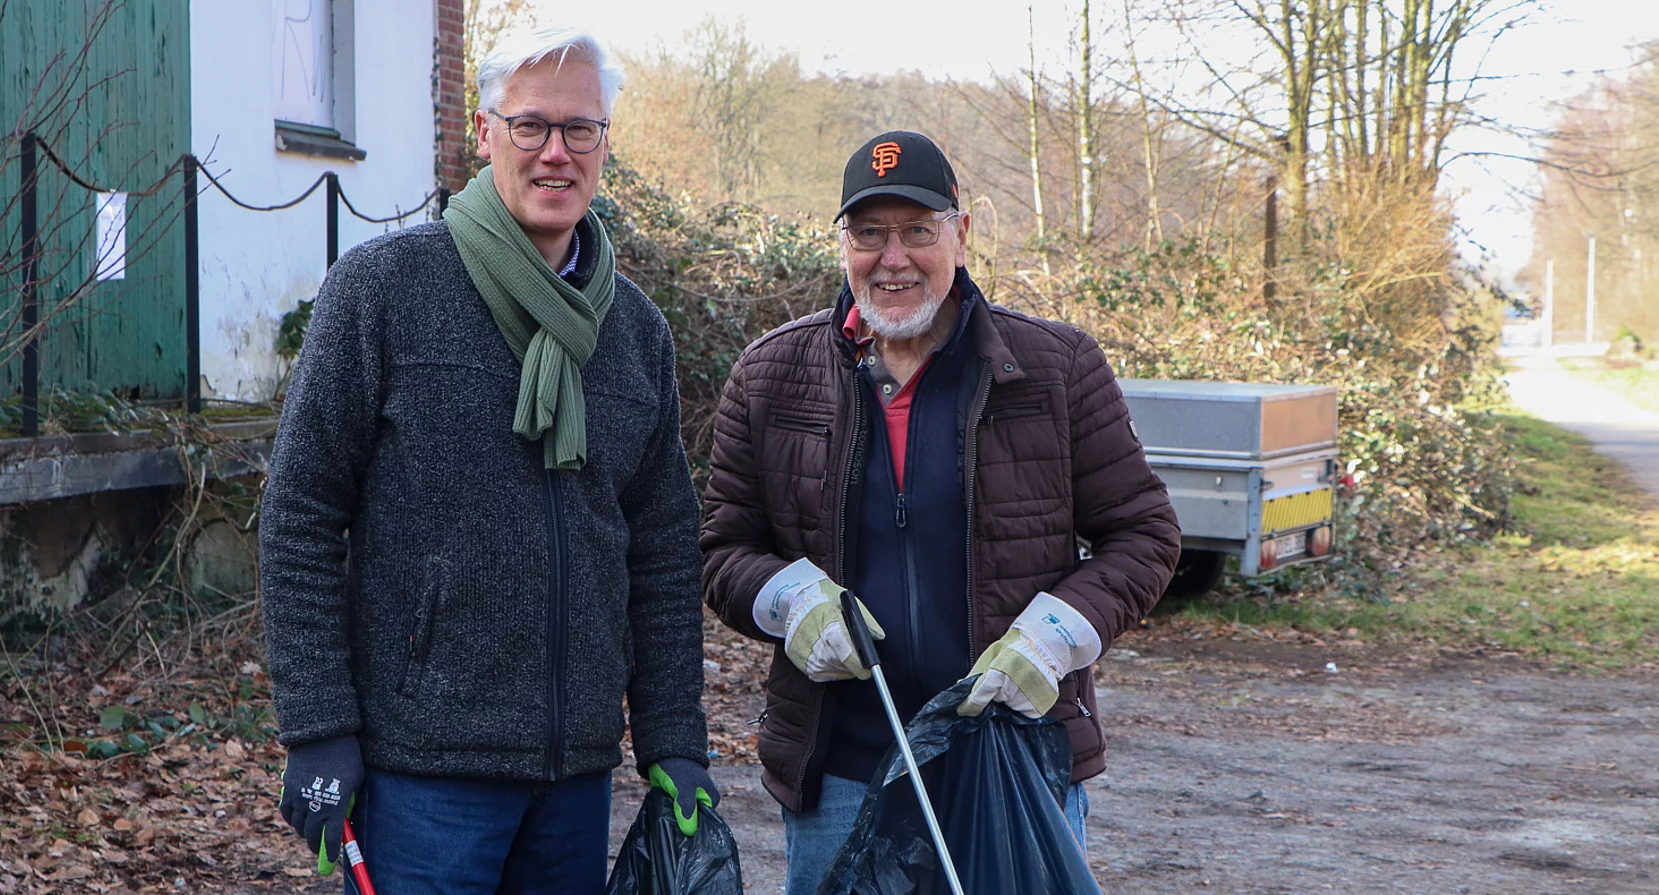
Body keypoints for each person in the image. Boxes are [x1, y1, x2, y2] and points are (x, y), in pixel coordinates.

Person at [259, 25, 716, 895]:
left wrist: (673, 738)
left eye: (580, 129)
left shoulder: (634, 334)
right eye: (531, 125)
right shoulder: (384, 293)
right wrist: (318, 727)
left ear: (605, 144)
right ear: (484, 132)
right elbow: (301, 516)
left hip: (576, 777)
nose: (556, 152)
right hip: (421, 774)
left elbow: (660, 549)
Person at [701, 130, 1181, 894]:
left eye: (918, 231)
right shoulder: (769, 375)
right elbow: (722, 545)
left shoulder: (1056, 369)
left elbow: (1145, 535)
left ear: (961, 233)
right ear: (843, 245)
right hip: (840, 776)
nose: (893, 258)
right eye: (869, 234)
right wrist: (789, 599)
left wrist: (1056, 636)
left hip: (1011, 763)